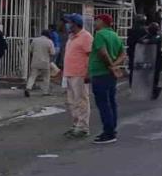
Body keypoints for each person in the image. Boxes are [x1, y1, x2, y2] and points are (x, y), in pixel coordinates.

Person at [89, 14, 126, 144]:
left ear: (103, 22)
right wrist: (115, 65)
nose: (95, 23)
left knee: (103, 104)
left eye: (97, 20)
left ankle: (108, 133)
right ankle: (112, 129)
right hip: (110, 74)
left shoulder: (100, 35)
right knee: (111, 102)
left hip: (100, 73)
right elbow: (123, 54)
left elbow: (102, 52)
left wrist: (110, 65)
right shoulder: (115, 35)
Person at [61, 13, 93, 138]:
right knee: (72, 102)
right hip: (69, 73)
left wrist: (89, 73)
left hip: (80, 74)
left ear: (75, 24)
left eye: (69, 22)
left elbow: (91, 55)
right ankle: (76, 125)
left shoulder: (86, 37)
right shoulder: (71, 37)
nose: (67, 24)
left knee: (81, 101)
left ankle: (83, 127)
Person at [26, 29, 56, 97]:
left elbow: (30, 50)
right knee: (46, 77)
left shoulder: (35, 40)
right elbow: (53, 53)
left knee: (32, 76)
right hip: (45, 62)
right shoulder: (49, 42)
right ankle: (45, 92)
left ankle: (28, 88)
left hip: (35, 61)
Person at [126, 15, 148, 86]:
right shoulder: (145, 30)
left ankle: (132, 84)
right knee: (142, 68)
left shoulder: (132, 30)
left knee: (133, 69)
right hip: (142, 52)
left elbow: (129, 41)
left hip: (133, 52)